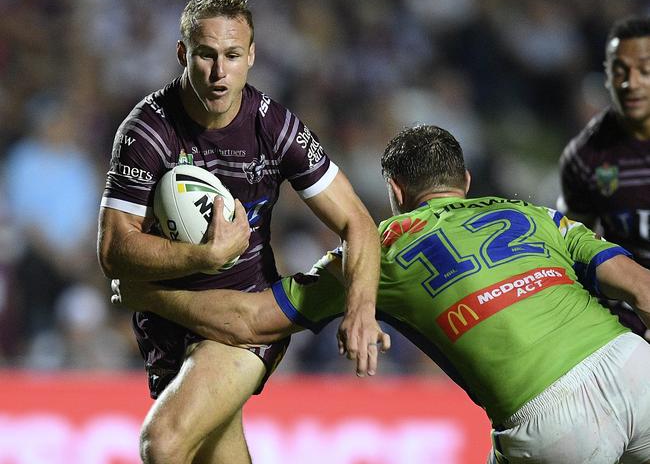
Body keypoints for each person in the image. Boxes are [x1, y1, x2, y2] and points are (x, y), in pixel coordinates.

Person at [114, 124, 650, 463]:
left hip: (551, 419)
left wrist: (148, 293)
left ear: (395, 192)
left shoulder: (382, 248)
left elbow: (250, 322)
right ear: (463, 179)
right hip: (634, 366)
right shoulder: (534, 214)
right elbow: (642, 290)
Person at [97, 0, 384, 464]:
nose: (218, 72)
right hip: (168, 326)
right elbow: (113, 250)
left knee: (164, 442)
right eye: (206, 55)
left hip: (242, 321)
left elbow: (357, 221)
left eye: (232, 55)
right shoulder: (147, 129)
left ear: (251, 56)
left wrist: (361, 307)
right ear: (182, 53)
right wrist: (204, 255)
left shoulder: (274, 127)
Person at [558, 15, 650, 341]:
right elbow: (572, 243)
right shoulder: (585, 157)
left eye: (643, 69)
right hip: (629, 324)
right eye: (620, 70)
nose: (631, 82)